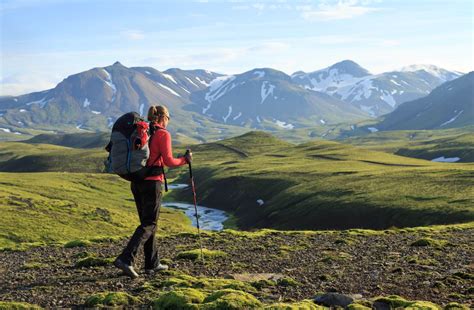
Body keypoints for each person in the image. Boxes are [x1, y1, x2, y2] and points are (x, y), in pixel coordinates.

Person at [114, 105, 192, 278]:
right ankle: (126, 259)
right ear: (164, 117)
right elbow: (169, 161)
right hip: (152, 183)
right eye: (168, 118)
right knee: (149, 224)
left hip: (136, 182)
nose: (168, 122)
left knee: (148, 223)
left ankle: (152, 263)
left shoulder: (142, 131)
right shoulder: (163, 134)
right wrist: (185, 160)